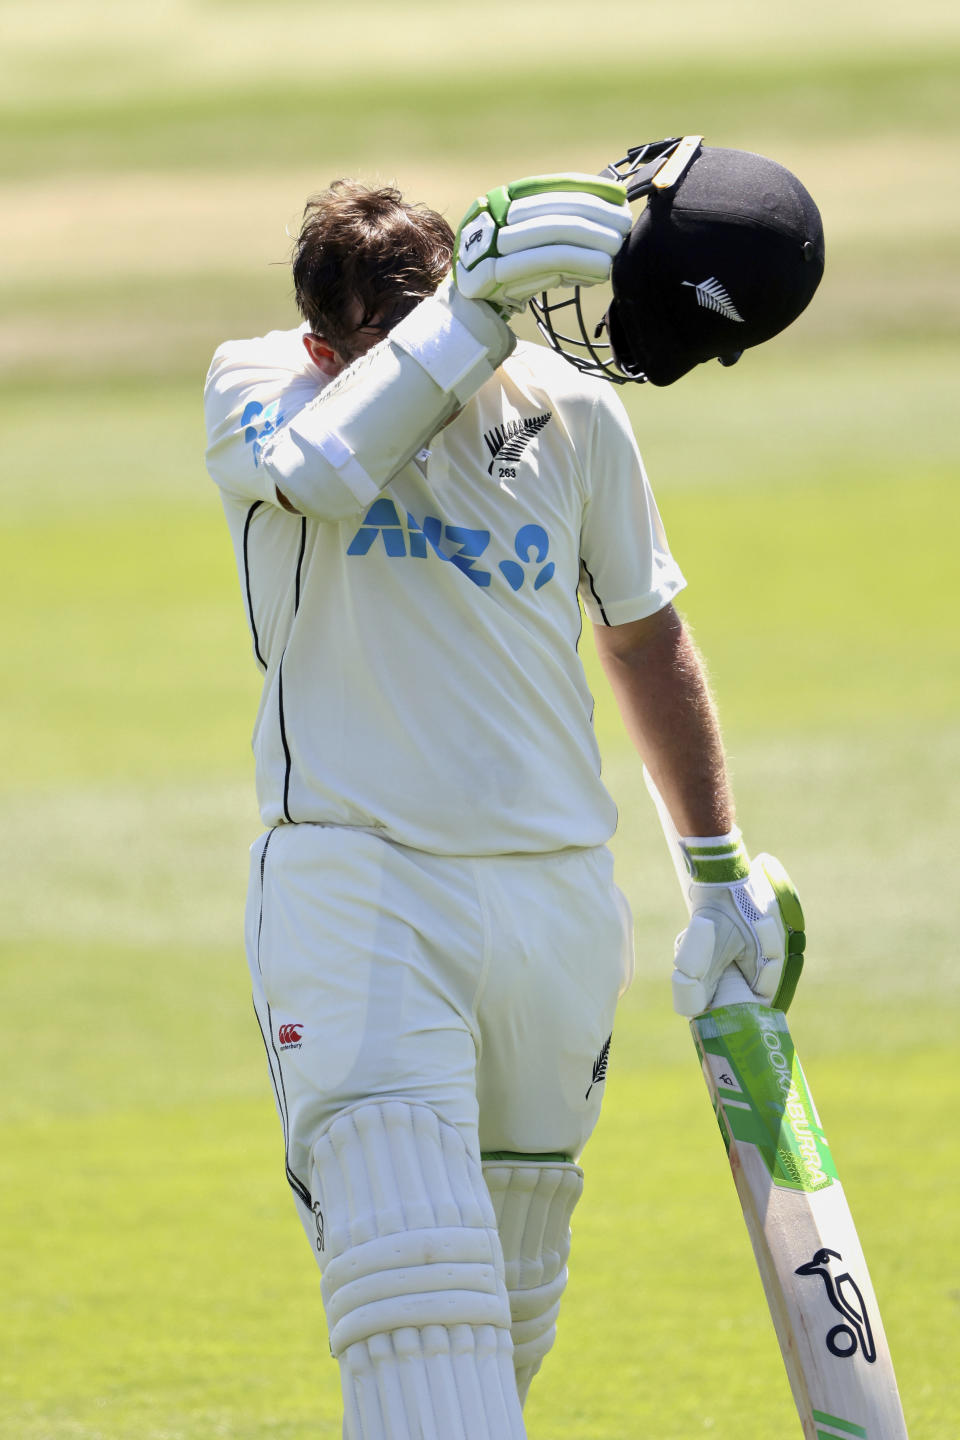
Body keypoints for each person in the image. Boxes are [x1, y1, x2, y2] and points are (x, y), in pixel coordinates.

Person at [204, 141, 823, 1438]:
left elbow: (645, 633)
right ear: (329, 347)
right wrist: (470, 318)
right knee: (419, 1313)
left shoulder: (572, 412)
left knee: (511, 1314)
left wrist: (719, 876)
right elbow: (321, 473)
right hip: (359, 893)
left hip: (552, 911)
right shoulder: (260, 384)